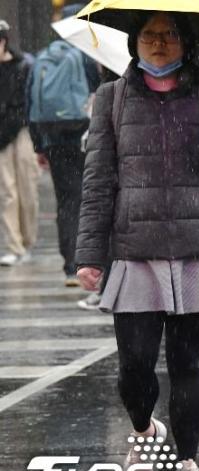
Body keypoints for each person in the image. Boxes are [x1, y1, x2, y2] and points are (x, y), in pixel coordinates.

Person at [75, 11, 199, 471]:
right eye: (149, 35)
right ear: (134, 42)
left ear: (184, 41)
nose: (157, 43)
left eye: (168, 34)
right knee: (134, 369)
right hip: (135, 254)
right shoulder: (113, 98)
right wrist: (90, 255)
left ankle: (188, 468)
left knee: (186, 365)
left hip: (195, 251)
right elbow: (98, 182)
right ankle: (144, 429)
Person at [26, 3, 100, 283]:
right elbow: (97, 94)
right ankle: (88, 260)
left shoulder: (44, 56)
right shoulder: (86, 55)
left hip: (54, 139)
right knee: (90, 198)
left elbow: (30, 104)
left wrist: (39, 145)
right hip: (84, 135)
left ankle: (70, 264)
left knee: (66, 201)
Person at [0, 19, 41, 267]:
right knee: (7, 192)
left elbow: (29, 104)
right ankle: (14, 246)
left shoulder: (23, 66)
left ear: (3, 42)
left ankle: (27, 242)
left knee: (28, 191)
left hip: (23, 133)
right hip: (2, 138)